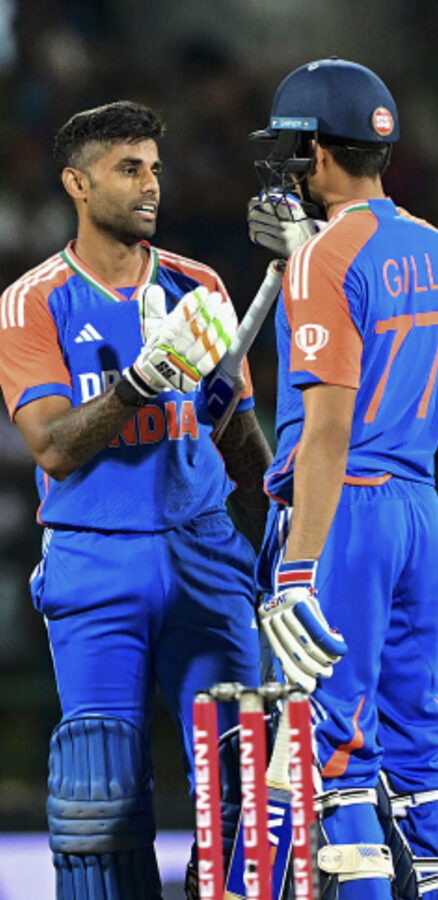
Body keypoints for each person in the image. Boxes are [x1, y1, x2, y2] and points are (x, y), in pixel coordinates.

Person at [0, 101, 271, 898]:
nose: (152, 183)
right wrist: (144, 382)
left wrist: (283, 544)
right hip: (94, 555)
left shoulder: (203, 286)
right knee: (100, 795)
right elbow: (50, 444)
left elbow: (239, 442)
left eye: (155, 166)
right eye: (130, 168)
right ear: (77, 184)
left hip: (206, 548)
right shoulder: (32, 302)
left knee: (243, 789)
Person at [244, 59, 438, 898]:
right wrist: (311, 256)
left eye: (291, 150)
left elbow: (329, 432)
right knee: (423, 738)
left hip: (347, 510)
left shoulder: (320, 263)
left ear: (316, 153)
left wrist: (297, 571)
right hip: (422, 507)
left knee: (332, 743)